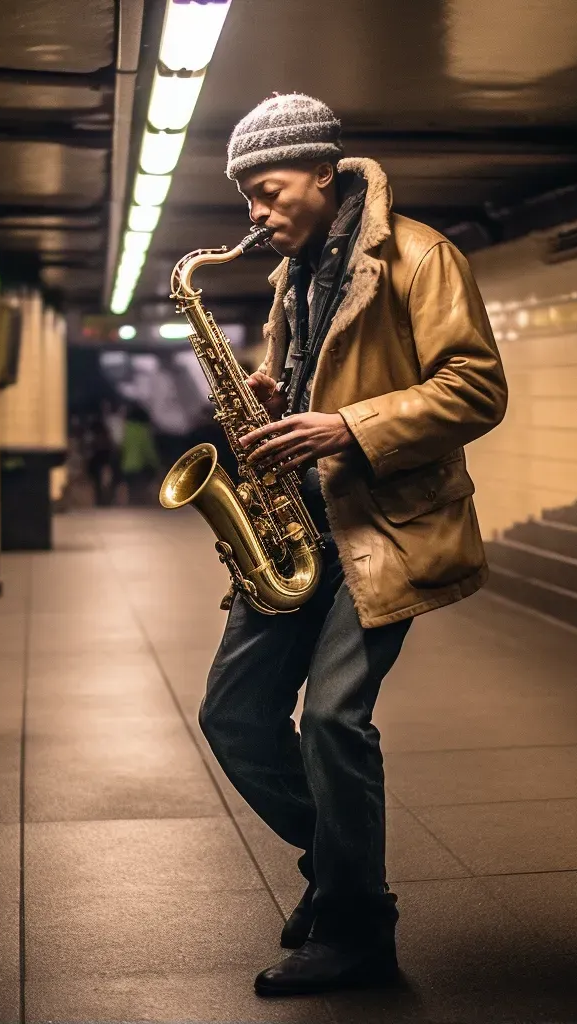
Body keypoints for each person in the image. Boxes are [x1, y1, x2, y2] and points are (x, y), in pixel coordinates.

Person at [196, 94, 508, 997]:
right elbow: (309, 376)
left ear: (324, 174)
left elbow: (477, 390)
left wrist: (345, 425)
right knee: (234, 715)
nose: (254, 211)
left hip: (383, 527)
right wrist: (271, 387)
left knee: (334, 717)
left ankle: (357, 926)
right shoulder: (292, 275)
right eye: (247, 195)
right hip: (295, 530)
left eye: (268, 188)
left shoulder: (421, 256)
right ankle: (339, 871)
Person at [119, 401, 161, 504]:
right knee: (139, 492)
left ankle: (131, 511)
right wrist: (156, 464)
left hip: (126, 466)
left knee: (131, 492)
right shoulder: (143, 430)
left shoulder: (126, 429)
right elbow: (148, 450)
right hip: (139, 466)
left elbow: (122, 447)